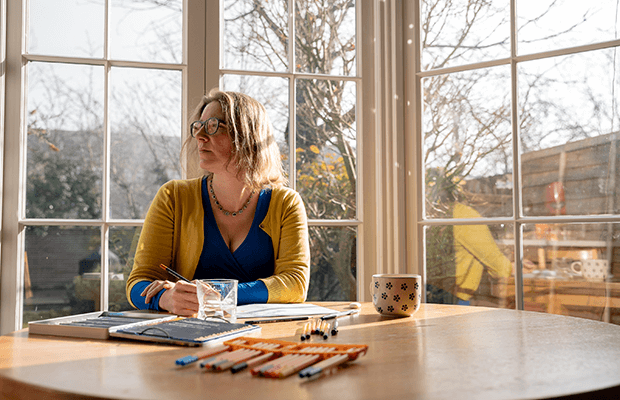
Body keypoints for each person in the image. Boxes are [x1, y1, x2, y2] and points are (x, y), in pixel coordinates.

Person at [125, 90, 310, 316]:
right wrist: (165, 298)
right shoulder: (173, 197)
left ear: (247, 134)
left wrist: (217, 294)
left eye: (212, 125)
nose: (200, 136)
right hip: (188, 336)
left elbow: (295, 284)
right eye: (198, 127)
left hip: (263, 337)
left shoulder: (286, 203)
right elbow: (138, 282)